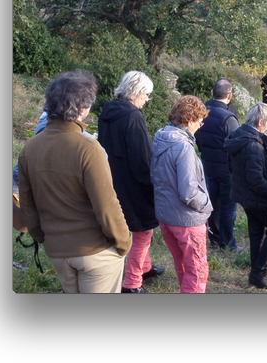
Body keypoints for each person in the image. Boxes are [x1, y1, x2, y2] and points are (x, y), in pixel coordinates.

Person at [17, 71, 132, 293]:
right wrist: (124, 241)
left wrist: (43, 237)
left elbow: (28, 206)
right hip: (96, 252)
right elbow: (106, 205)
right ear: (83, 109)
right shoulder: (88, 149)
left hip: (58, 250)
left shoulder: (29, 149)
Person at [97, 71, 165, 294]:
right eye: (146, 94)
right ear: (136, 92)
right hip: (133, 182)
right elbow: (141, 157)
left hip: (113, 177)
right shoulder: (133, 116)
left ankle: (146, 267)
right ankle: (132, 283)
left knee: (135, 227)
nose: (147, 99)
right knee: (143, 231)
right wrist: (151, 184)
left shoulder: (108, 111)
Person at [151, 95, 213, 293]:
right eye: (200, 120)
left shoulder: (160, 138)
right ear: (190, 120)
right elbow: (188, 191)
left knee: (183, 266)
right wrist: (207, 205)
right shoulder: (183, 147)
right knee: (197, 270)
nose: (201, 125)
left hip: (166, 216)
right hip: (187, 220)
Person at [224, 103, 267, 289]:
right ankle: (259, 272)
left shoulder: (239, 136)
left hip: (245, 196)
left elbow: (232, 166)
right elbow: (256, 179)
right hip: (259, 198)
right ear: (260, 122)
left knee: (257, 232)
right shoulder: (253, 145)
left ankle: (255, 274)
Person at [195, 78, 243, 252]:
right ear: (229, 96)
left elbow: (198, 139)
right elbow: (237, 146)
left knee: (211, 206)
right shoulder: (229, 118)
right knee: (228, 209)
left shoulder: (201, 113)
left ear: (212, 93)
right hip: (227, 169)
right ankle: (228, 243)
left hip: (207, 166)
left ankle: (214, 239)